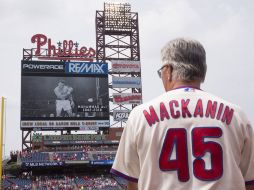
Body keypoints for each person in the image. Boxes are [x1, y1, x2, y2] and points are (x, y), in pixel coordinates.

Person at [110, 38, 254, 190]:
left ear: (168, 71)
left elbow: (133, 183)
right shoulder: (237, 116)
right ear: (202, 71)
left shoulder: (139, 116)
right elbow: (250, 183)